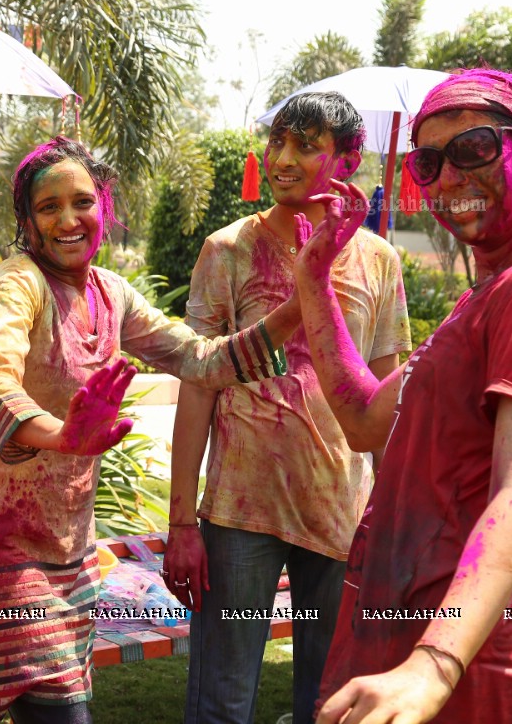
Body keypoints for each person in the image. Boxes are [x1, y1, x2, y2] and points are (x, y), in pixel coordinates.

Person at [0, 136, 291, 724]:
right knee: (61, 714)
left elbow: (198, 358)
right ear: (26, 220)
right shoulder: (14, 285)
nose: (68, 220)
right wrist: (63, 436)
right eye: (49, 207)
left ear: (104, 208)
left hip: (67, 545)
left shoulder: (111, 293)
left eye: (82, 202)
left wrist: (302, 301)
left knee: (58, 707)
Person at [294, 69, 512, 723]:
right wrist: (314, 279)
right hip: (412, 636)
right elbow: (365, 420)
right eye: (428, 162)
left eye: (474, 149)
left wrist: (435, 665)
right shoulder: (492, 295)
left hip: (460, 669)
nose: (448, 179)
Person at [163, 93, 410, 724]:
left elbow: (386, 393)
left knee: (327, 700)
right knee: (223, 697)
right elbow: (198, 381)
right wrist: (183, 523)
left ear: (348, 161)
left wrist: (392, 506)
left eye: (307, 145)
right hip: (241, 507)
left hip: (340, 509)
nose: (284, 159)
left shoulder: (378, 259)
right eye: (278, 142)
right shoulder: (228, 250)